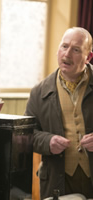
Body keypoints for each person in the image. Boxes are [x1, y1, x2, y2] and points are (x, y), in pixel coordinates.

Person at [25, 27, 93, 200]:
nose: (67, 54)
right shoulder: (39, 92)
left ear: (88, 57)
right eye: (64, 46)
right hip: (56, 179)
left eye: (76, 50)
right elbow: (27, 135)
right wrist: (48, 141)